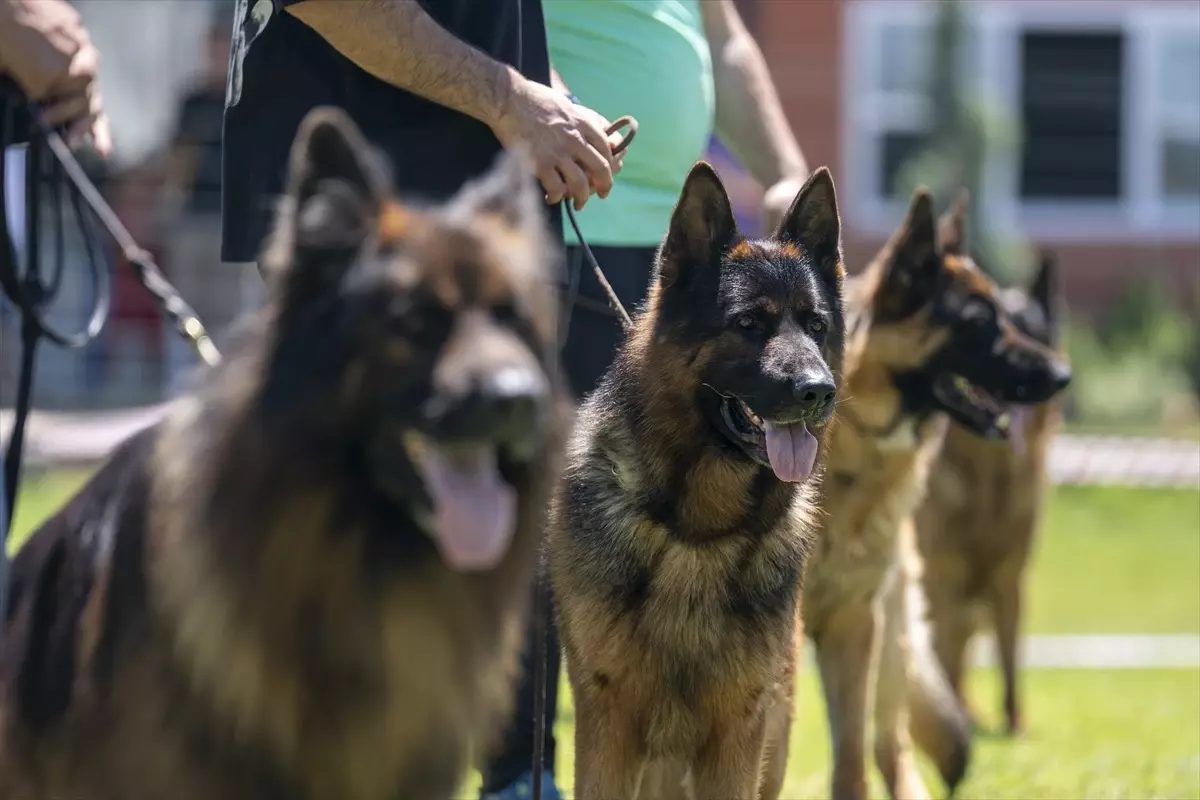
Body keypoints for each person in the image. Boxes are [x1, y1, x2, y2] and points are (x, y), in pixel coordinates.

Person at [479, 2, 813, 798]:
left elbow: (725, 44)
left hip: (687, 267)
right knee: (543, 521)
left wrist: (784, 168)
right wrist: (542, 103)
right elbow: (493, 22)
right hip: (552, 228)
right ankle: (519, 776)